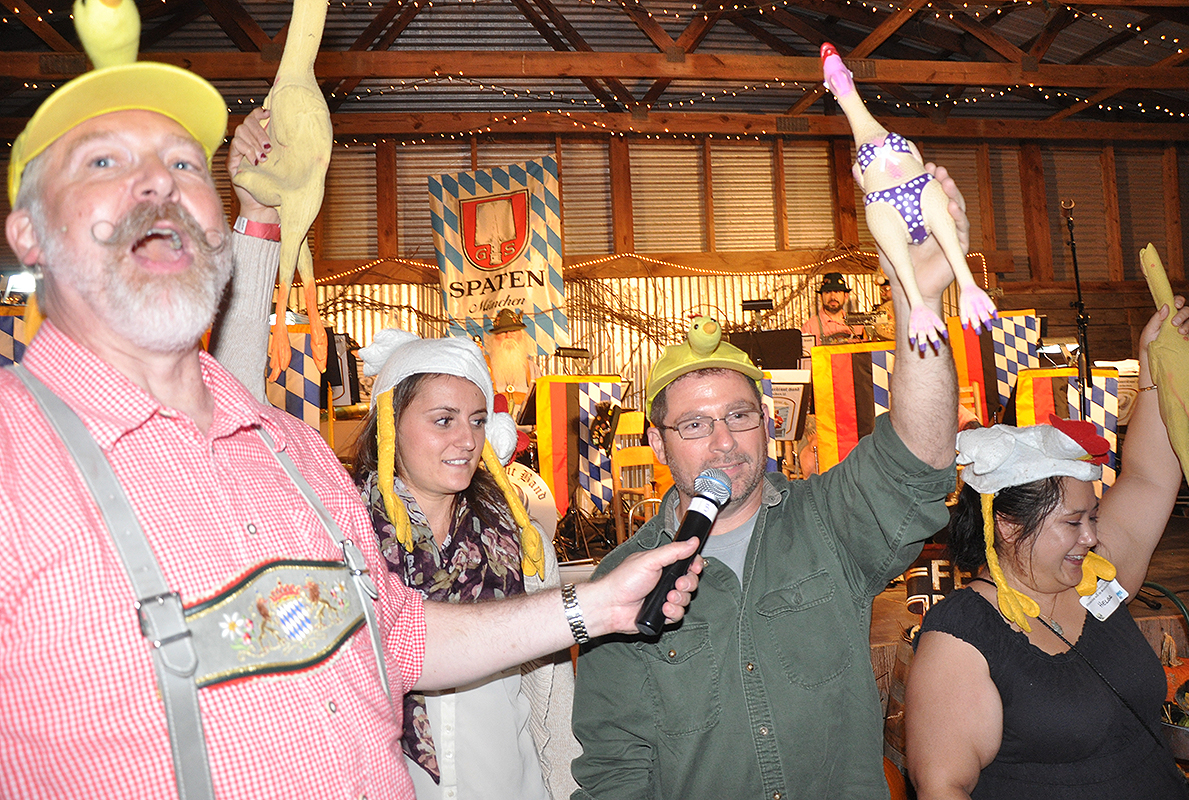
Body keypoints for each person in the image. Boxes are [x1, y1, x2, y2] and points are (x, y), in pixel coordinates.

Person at [0, 32, 702, 799]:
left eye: (183, 164)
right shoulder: (16, 469)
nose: (157, 187)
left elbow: (394, 635)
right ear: (26, 232)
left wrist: (598, 604)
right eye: (103, 161)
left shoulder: (297, 460)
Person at [572, 166, 969, 799]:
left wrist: (918, 299)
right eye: (695, 424)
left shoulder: (829, 522)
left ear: (767, 422)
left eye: (739, 416)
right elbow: (615, 766)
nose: (724, 441)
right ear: (657, 442)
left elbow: (918, 458)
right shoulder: (621, 582)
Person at [905, 299, 1189, 800]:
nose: (1090, 537)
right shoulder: (961, 638)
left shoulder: (1097, 576)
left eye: (1093, 518)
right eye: (1071, 523)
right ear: (1008, 524)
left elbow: (1150, 477)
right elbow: (943, 788)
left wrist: (1151, 368)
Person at [348, 329, 578, 800]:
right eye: (443, 420)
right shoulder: (343, 542)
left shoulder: (522, 545)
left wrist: (564, 784)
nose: (467, 439)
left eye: (477, 421)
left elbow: (553, 694)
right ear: (390, 424)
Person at [802, 271, 865, 344]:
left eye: (837, 291)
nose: (832, 297)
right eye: (827, 292)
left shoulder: (857, 325)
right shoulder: (810, 328)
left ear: (846, 296)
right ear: (821, 297)